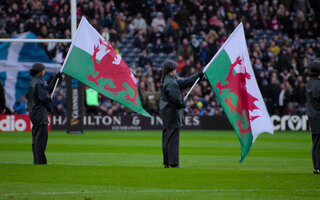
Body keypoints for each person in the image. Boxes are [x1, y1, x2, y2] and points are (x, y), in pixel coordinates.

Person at [159, 60, 203, 168]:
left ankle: (167, 162)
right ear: (173, 70)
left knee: (168, 138)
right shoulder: (171, 82)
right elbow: (175, 98)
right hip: (172, 114)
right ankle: (173, 163)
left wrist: (198, 76)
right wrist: (183, 104)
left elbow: (185, 82)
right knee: (173, 139)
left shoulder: (168, 80)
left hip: (167, 113)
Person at [27, 63, 62, 164]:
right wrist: (50, 107)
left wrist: (56, 79)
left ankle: (38, 160)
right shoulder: (38, 82)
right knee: (41, 138)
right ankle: (40, 161)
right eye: (43, 70)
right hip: (40, 112)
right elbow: (45, 98)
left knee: (37, 137)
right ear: (40, 71)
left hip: (34, 112)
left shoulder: (34, 81)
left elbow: (47, 90)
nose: (44, 71)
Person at [306, 60, 320, 174]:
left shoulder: (310, 83)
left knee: (316, 143)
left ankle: (317, 166)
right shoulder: (317, 85)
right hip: (318, 116)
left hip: (313, 116)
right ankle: (318, 167)